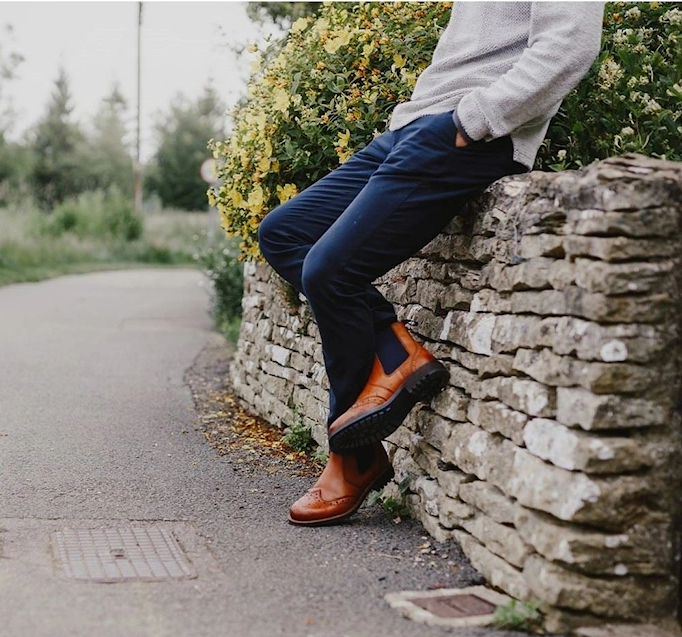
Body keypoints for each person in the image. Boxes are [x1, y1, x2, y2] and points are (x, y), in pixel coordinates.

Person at [256, 2, 605, 526]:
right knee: (283, 233)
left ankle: (354, 460)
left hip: (468, 135)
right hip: (415, 129)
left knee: (329, 271)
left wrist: (474, 120)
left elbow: (569, 46)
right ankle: (398, 352)